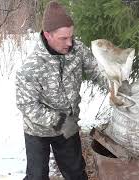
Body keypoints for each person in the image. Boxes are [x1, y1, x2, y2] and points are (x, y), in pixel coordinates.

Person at [15, 1, 101, 179]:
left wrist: (116, 86)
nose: (70, 43)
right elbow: (27, 106)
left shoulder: (77, 50)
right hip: (38, 130)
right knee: (36, 176)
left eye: (71, 36)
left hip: (67, 127)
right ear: (47, 35)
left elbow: (96, 70)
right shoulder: (31, 67)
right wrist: (61, 122)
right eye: (63, 38)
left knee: (76, 173)